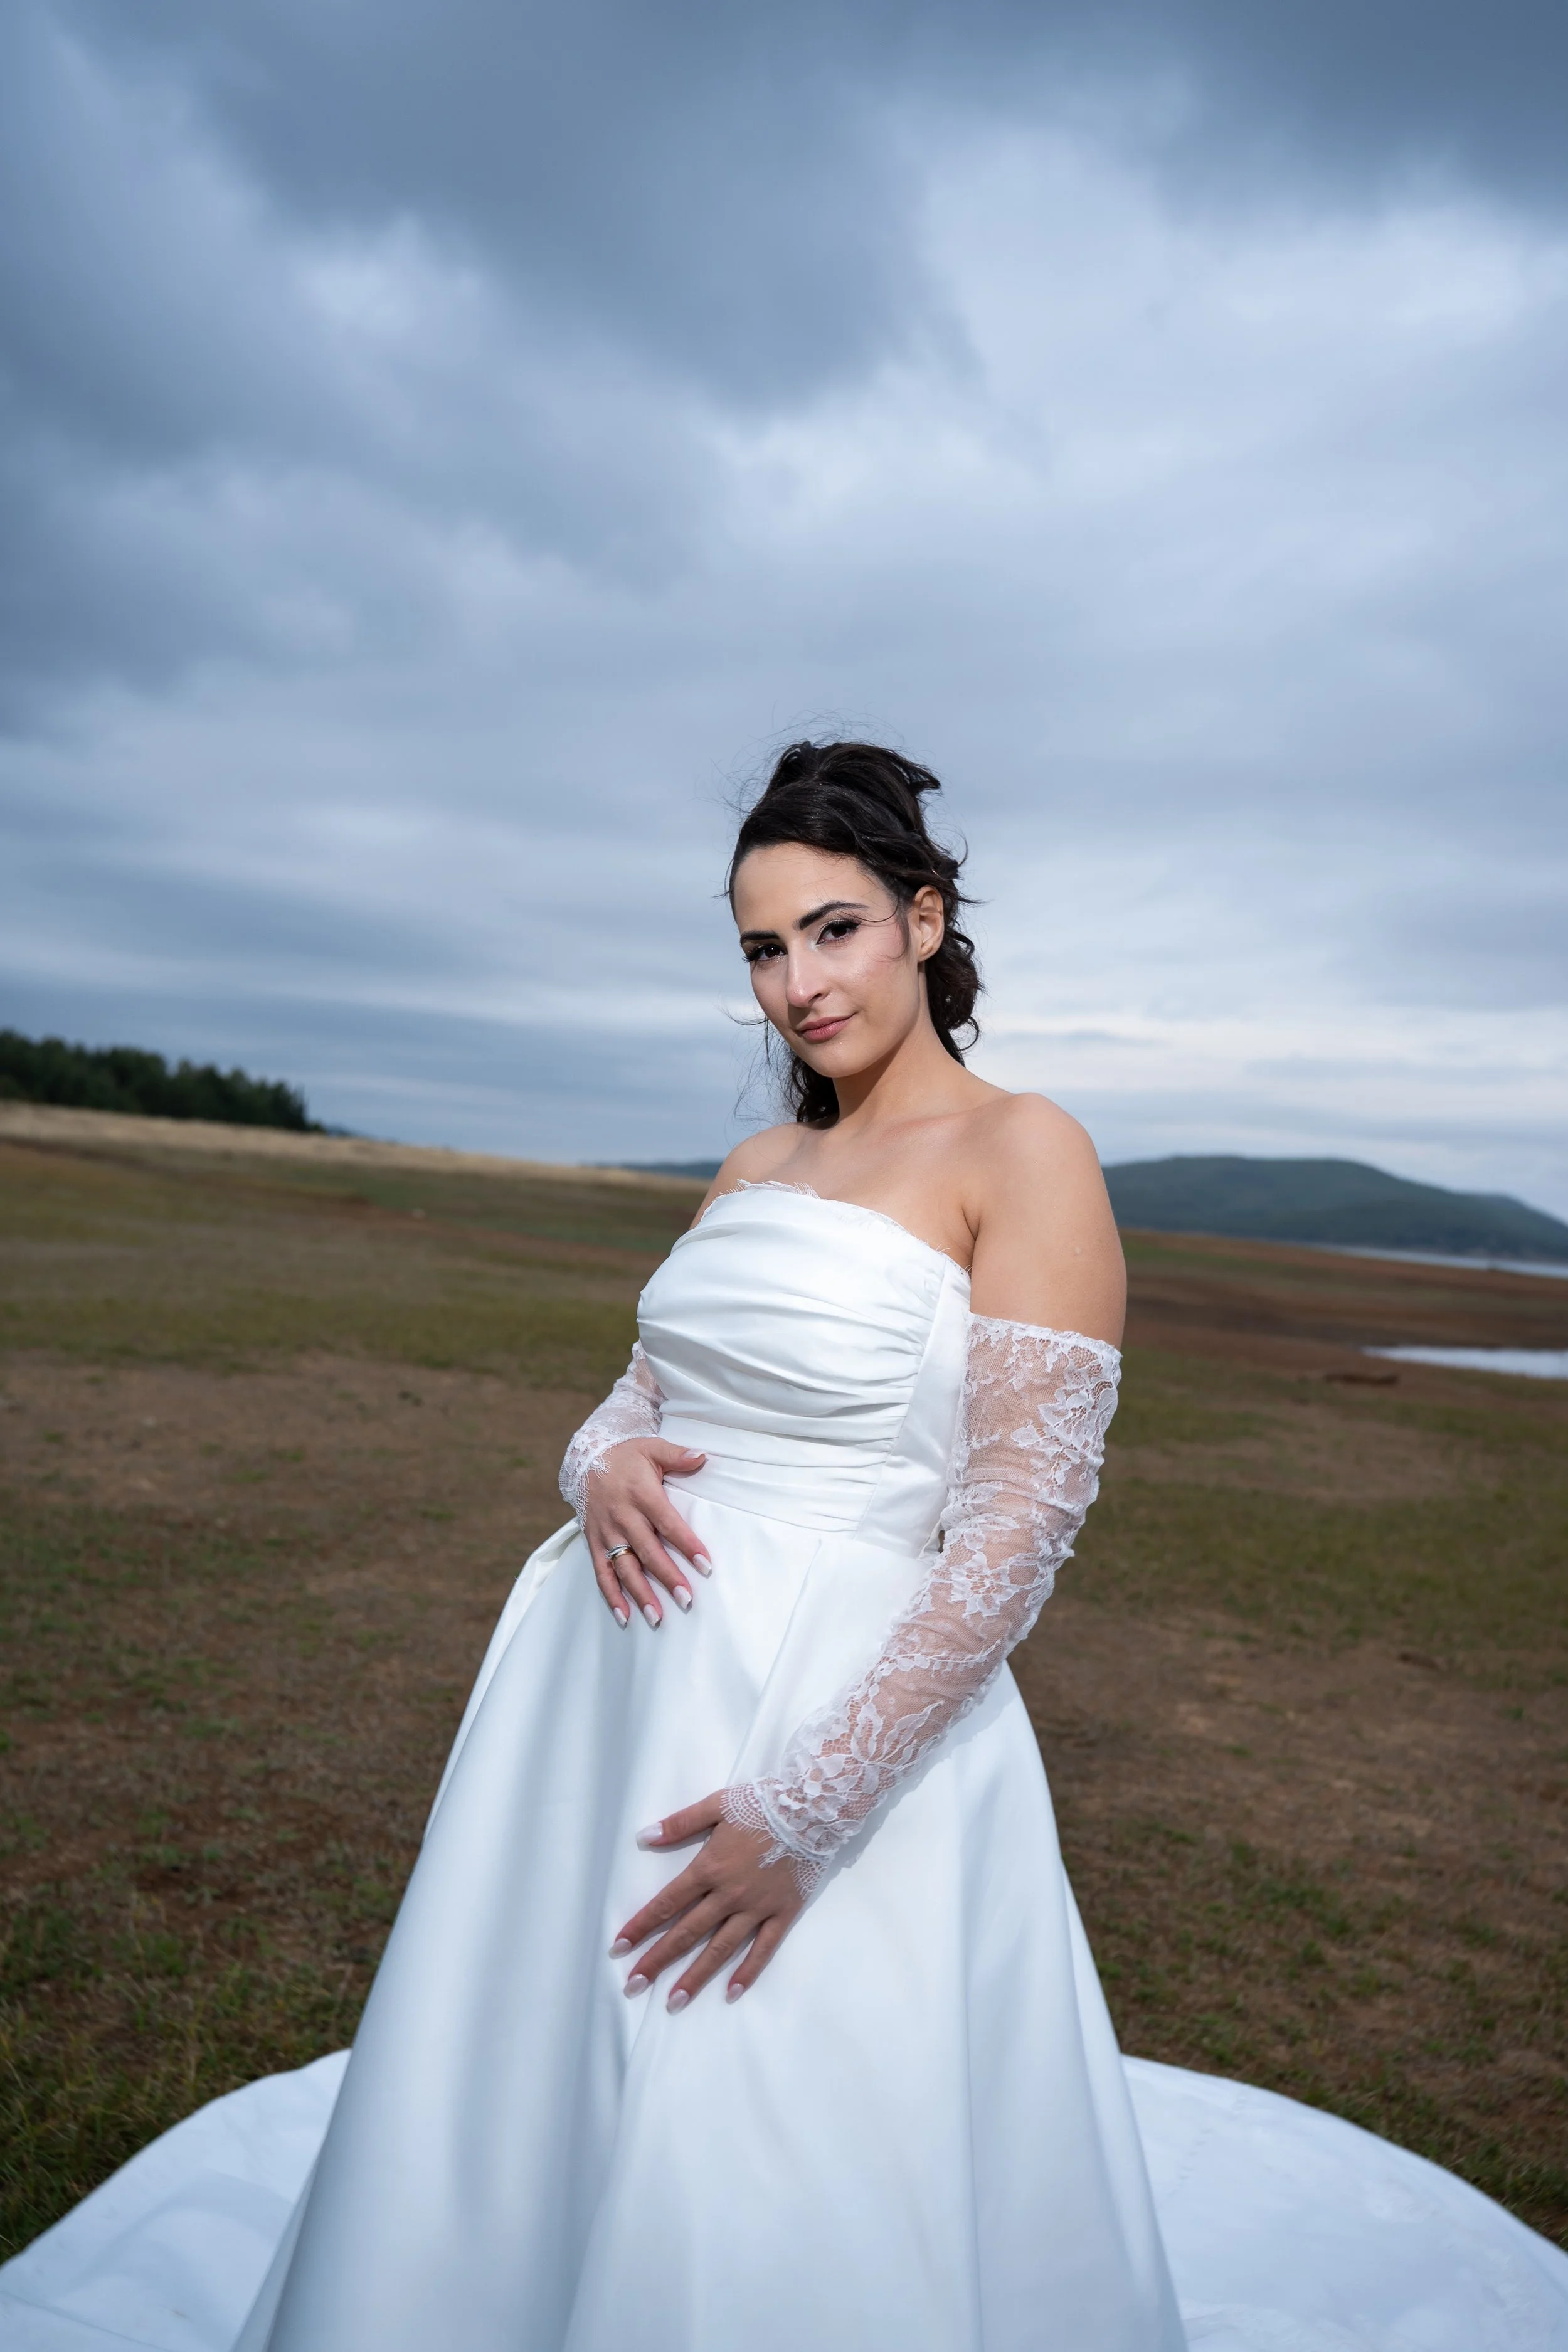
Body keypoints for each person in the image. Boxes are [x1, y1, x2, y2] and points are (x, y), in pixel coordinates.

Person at [8, 744, 1568, 2351]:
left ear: (921, 920)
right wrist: (595, 1460)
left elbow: (1019, 1525)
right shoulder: (757, 1166)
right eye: (762, 948)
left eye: (833, 931)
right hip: (602, 1694)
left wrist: (812, 1812)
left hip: (827, 1708)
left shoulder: (1022, 1151)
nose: (797, 985)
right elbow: (641, 1392)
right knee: (534, 2080)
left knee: (764, 2123)